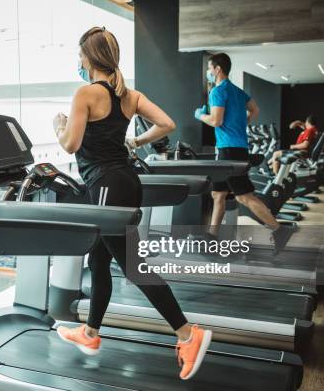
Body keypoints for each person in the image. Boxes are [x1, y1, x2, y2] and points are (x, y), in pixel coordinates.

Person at [53, 26, 212, 381]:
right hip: (127, 181)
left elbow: (70, 145)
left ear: (90, 58)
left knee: (132, 265)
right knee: (98, 257)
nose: (78, 62)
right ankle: (90, 334)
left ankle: (188, 333)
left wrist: (58, 126)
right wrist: (135, 141)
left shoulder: (85, 94)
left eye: (80, 56)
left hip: (106, 184)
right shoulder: (130, 95)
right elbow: (167, 124)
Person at [194, 53, 293, 250]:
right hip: (234, 147)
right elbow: (255, 110)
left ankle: (279, 230)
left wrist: (200, 115)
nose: (208, 72)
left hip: (228, 150)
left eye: (210, 68)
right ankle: (212, 236)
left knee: (243, 196)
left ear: (218, 69)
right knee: (218, 194)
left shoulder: (218, 91)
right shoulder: (238, 92)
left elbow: (216, 121)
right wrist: (242, 122)